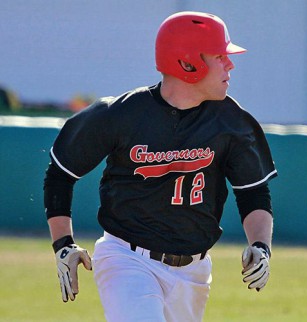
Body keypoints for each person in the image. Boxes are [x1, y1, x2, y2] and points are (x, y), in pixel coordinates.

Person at [44, 11, 277, 322]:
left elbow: (253, 194)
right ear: (188, 63)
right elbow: (61, 174)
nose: (230, 64)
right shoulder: (120, 115)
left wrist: (260, 246)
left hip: (194, 272)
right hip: (127, 258)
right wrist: (63, 244)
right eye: (220, 56)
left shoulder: (231, 122)